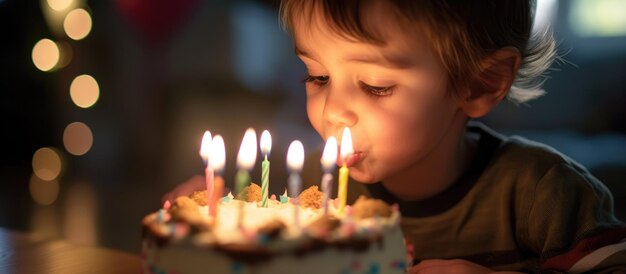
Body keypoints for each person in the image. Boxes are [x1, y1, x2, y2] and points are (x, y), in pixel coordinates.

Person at [274, 0, 626, 273]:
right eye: (318, 76)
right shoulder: (317, 188)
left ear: (478, 85)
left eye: (375, 86)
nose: (332, 110)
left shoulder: (542, 194)